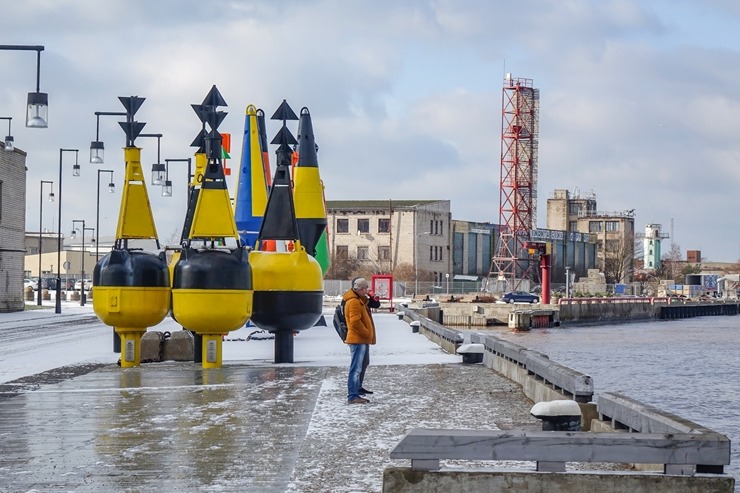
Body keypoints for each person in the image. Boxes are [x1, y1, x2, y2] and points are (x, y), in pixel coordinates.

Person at [343, 277, 376, 404]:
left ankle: (357, 389)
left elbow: (374, 304)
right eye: (365, 288)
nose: (367, 290)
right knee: (356, 368)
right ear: (360, 289)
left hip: (362, 340)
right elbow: (355, 322)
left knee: (362, 364)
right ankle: (352, 395)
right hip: (358, 340)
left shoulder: (359, 300)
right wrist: (366, 333)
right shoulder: (354, 302)